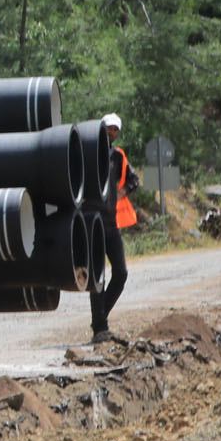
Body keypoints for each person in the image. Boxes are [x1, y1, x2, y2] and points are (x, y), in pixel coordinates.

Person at [91, 112, 135, 340]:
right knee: (98, 277)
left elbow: (133, 180)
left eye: (115, 129)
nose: (112, 133)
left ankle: (99, 317)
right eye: (109, 128)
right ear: (101, 128)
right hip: (92, 223)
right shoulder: (88, 151)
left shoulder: (118, 156)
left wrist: (118, 195)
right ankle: (100, 328)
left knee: (121, 273)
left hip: (111, 223)